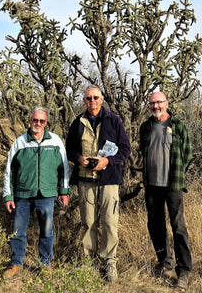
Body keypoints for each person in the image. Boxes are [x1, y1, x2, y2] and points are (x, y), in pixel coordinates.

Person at [66, 85, 131, 282]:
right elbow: (69, 149)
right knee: (89, 223)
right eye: (88, 98)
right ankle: (89, 261)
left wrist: (107, 161)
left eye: (95, 98)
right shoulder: (78, 123)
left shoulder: (114, 120)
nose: (92, 101)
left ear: (101, 99)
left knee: (110, 223)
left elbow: (125, 149)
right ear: (84, 101)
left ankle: (110, 262)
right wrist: (79, 159)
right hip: (86, 181)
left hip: (109, 181)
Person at [2, 106, 70, 278]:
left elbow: (64, 168)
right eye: (35, 120)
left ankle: (44, 264)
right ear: (30, 120)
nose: (38, 123)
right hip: (22, 195)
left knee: (46, 231)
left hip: (47, 195)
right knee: (18, 231)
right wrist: (8, 196)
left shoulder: (55, 141)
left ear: (46, 122)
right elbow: (10, 171)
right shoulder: (20, 142)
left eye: (42, 121)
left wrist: (64, 191)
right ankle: (16, 263)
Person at [139, 91, 193, 290]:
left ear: (167, 103)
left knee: (178, 225)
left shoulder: (177, 126)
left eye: (159, 102)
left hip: (173, 185)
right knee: (155, 224)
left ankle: (184, 270)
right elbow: (143, 150)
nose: (155, 106)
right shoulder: (146, 127)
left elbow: (187, 153)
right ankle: (165, 262)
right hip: (152, 184)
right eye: (152, 103)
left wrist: (177, 175)